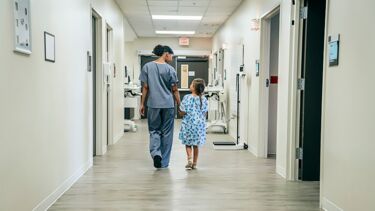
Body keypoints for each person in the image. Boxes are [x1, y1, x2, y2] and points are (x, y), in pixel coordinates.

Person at [139, 44, 181, 169]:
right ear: (166, 53)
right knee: (167, 133)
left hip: (153, 104)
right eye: (171, 55)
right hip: (168, 105)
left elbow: (145, 87)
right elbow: (174, 90)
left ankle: (156, 153)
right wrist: (180, 105)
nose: (172, 57)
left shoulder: (147, 67)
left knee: (154, 131)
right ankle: (164, 162)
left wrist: (142, 103)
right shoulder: (170, 70)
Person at [178, 79, 208, 170]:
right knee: (196, 145)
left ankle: (189, 160)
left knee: (188, 144)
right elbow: (205, 113)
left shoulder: (187, 97)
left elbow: (183, 111)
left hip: (188, 124)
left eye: (191, 84)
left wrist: (181, 113)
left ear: (194, 88)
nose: (190, 85)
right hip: (198, 126)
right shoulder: (204, 99)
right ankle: (195, 163)